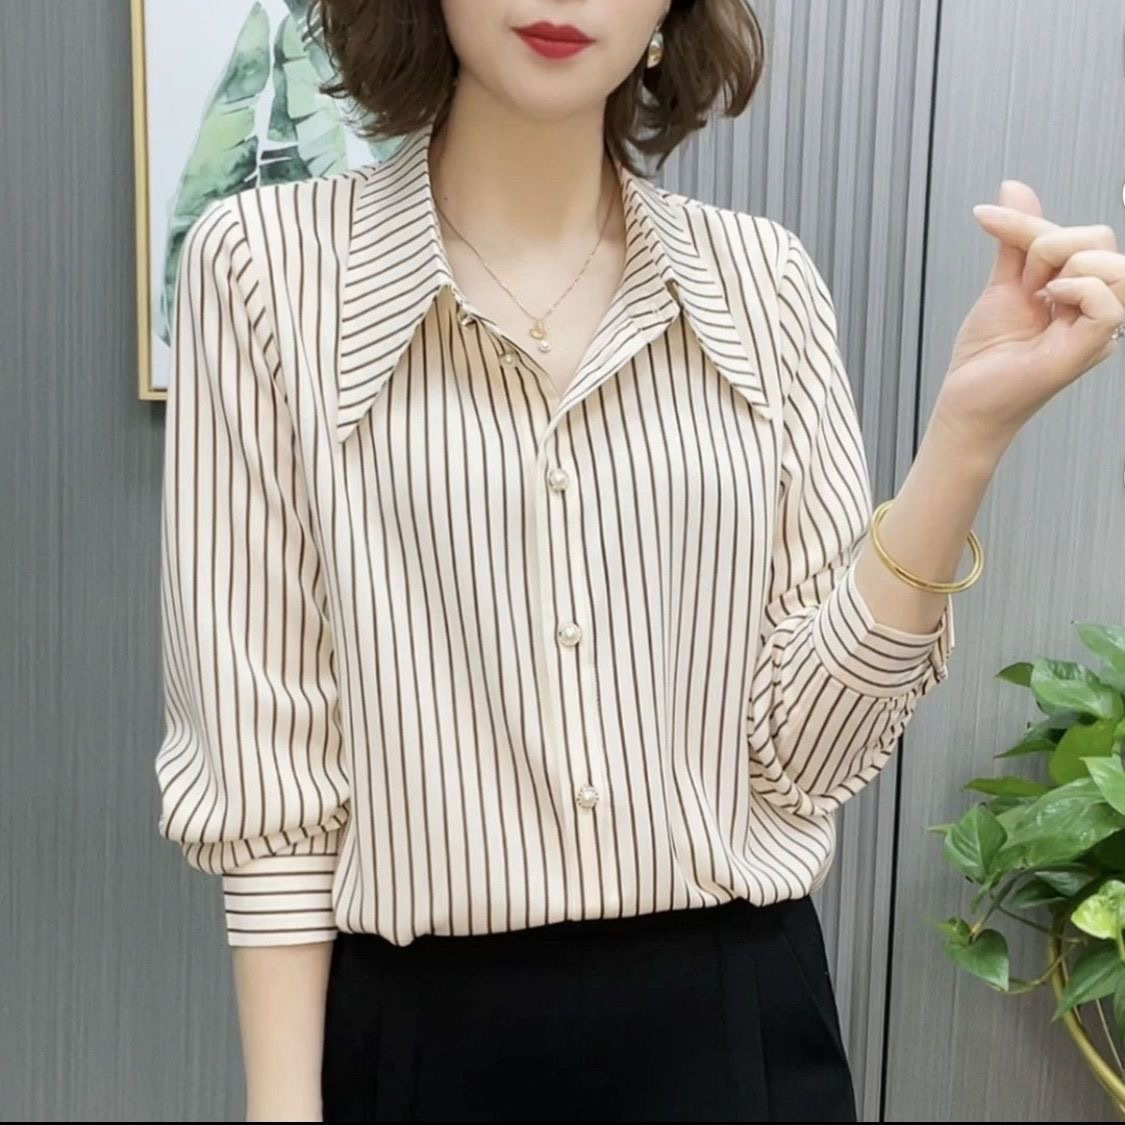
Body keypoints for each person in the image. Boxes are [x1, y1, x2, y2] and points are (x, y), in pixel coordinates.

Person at [153, 1, 1125, 1120]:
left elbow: (810, 754)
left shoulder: (761, 285)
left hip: (737, 1025)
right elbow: (268, 751)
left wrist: (965, 437)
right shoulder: (267, 270)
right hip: (419, 1034)